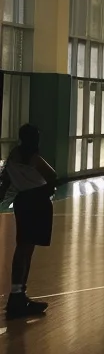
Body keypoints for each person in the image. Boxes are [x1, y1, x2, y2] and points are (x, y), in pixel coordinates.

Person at [0, 125, 57, 319]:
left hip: (22, 201)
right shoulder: (34, 158)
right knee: (26, 249)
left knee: (22, 247)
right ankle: (18, 296)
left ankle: (18, 294)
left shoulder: (14, 155)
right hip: (37, 201)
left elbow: (5, 179)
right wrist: (49, 190)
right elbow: (52, 175)